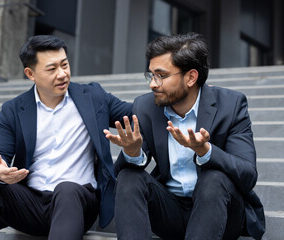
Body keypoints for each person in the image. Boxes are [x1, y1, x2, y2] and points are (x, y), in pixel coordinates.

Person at [0, 35, 132, 240]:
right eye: (52, 69)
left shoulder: (93, 97)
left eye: (65, 65)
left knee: (67, 190)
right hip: (31, 203)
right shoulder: (14, 109)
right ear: (30, 73)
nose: (62, 74)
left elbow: (135, 113)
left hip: (77, 203)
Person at [104, 33, 265, 240]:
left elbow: (247, 175)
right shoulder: (145, 106)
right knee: (129, 177)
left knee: (213, 178)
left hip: (221, 211)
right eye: (151, 75)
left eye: (161, 76)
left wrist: (205, 151)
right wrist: (133, 152)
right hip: (171, 211)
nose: (153, 84)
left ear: (191, 77)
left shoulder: (231, 105)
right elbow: (123, 179)